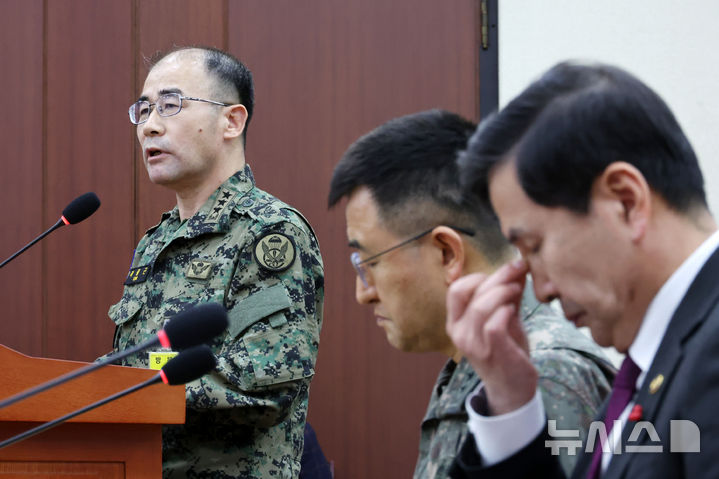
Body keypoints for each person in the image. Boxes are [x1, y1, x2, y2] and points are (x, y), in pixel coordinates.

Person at [447, 61, 719, 478]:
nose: (540, 290)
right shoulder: (656, 364)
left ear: (625, 202)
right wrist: (510, 401)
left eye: (534, 246)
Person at [327, 109, 615, 478]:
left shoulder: (538, 378)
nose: (362, 294)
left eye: (371, 262)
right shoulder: (478, 364)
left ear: (446, 253)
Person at [107, 46, 324, 478]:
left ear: (231, 121)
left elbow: (259, 383)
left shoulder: (270, 232)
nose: (150, 126)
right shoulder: (157, 241)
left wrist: (127, 385)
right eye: (144, 109)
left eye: (170, 105)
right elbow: (132, 361)